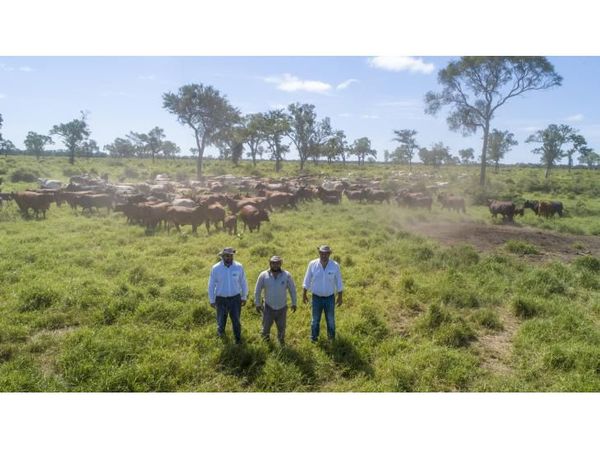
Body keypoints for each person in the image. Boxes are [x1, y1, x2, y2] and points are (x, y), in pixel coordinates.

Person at [302, 245, 343, 342]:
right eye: (322, 253)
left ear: (329, 254)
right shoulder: (312, 264)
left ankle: (331, 339)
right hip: (316, 298)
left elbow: (339, 282)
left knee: (331, 320)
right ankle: (314, 339)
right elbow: (307, 280)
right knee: (315, 320)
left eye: (326, 253)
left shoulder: (335, 265)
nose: (324, 255)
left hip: (330, 298)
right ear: (319, 253)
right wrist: (304, 294)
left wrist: (340, 297)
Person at [207, 247, 248, 344]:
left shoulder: (239, 266)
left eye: (230, 255)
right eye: (226, 256)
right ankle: (222, 340)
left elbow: (243, 282)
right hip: (220, 299)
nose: (229, 257)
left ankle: (238, 340)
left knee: (236, 322)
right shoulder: (216, 268)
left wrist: (244, 297)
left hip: (235, 299)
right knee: (221, 322)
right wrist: (212, 300)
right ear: (222, 256)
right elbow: (211, 285)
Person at [254, 255, 297, 345]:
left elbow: (292, 290)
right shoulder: (263, 275)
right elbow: (257, 290)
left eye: (277, 263)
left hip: (282, 308)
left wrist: (294, 303)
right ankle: (266, 344)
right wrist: (258, 304)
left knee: (282, 328)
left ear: (280, 263)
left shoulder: (287, 275)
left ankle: (281, 343)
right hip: (268, 307)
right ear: (270, 263)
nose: (275, 265)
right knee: (265, 328)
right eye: (273, 263)